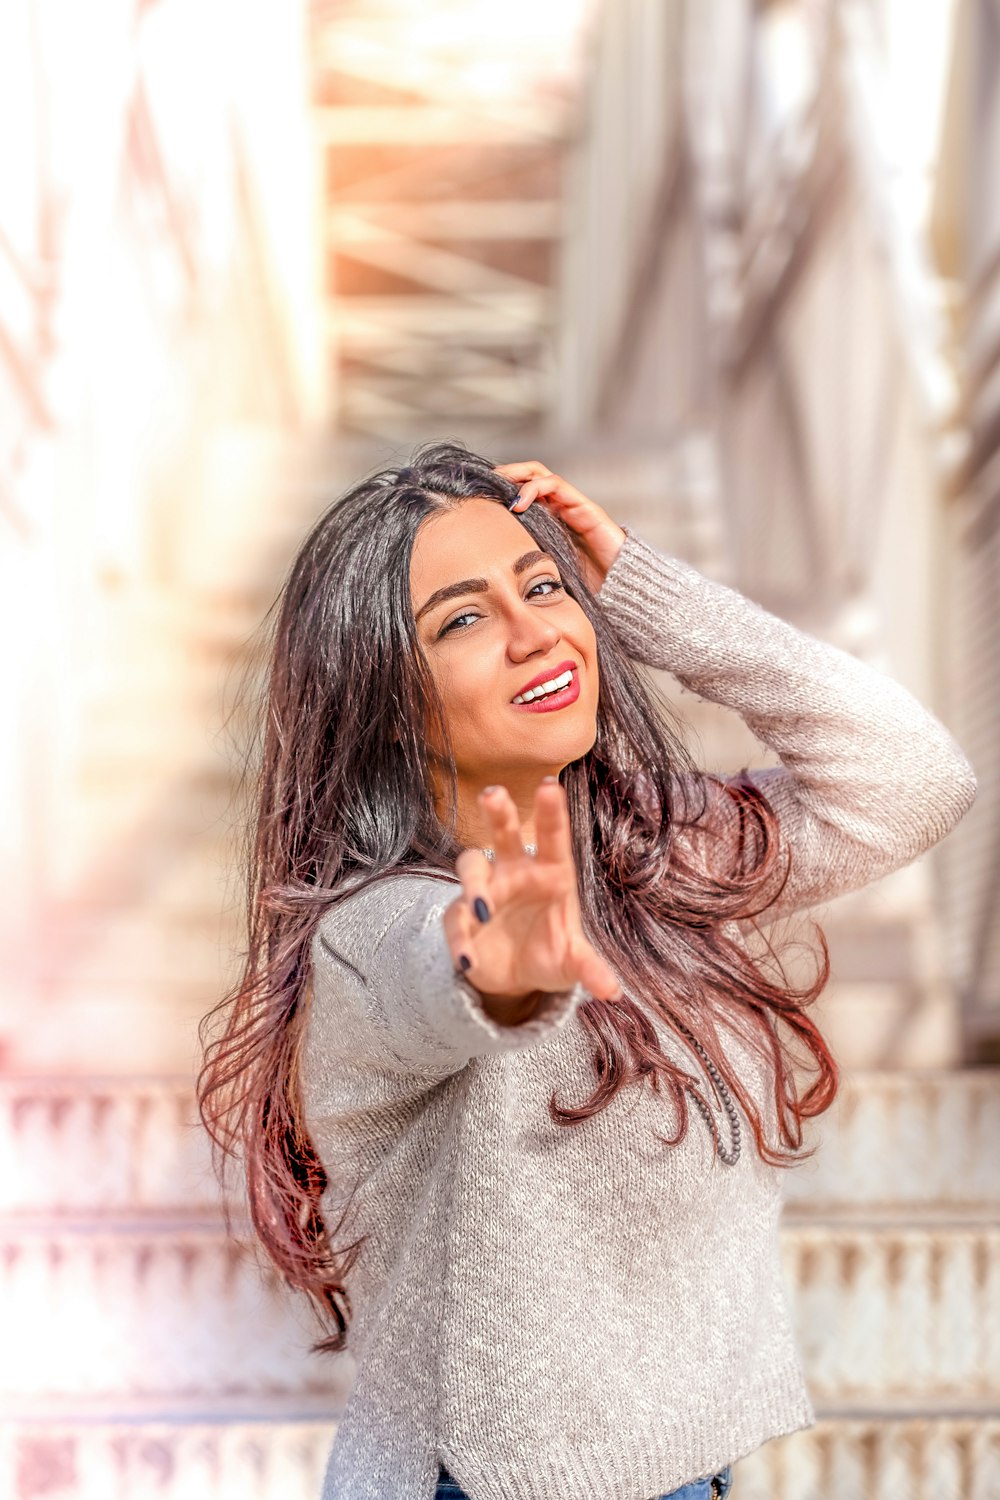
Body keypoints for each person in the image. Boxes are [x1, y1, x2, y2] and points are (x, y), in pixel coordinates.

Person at [197, 440, 978, 1500]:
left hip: (683, 1475)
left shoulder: (663, 859)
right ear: (383, 695)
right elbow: (449, 981)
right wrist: (502, 974)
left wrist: (645, 593)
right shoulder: (368, 933)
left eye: (543, 585)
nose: (534, 633)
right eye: (464, 619)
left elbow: (910, 775)